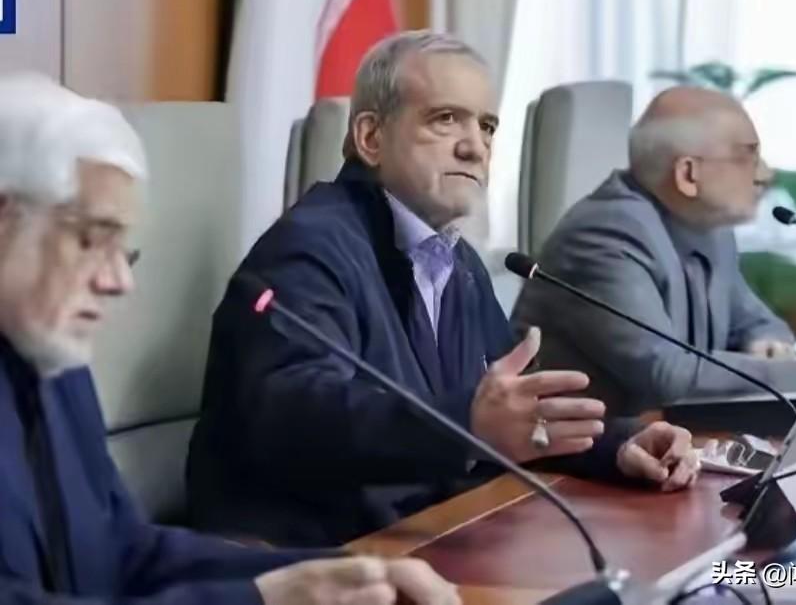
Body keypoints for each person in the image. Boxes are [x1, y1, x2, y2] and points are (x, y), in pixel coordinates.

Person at [187, 31, 700, 548]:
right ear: (371, 138)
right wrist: (468, 423)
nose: (475, 147)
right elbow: (297, 416)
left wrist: (620, 443)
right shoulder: (307, 248)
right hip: (319, 555)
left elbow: (517, 408)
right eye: (445, 119)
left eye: (487, 126)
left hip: (436, 536)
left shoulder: (458, 261)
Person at [0, 72, 459, 605]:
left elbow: (125, 551)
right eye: (90, 240)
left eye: (124, 252)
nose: (119, 281)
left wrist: (337, 572)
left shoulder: (54, 364)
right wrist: (261, 600)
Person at [512, 86, 796, 414]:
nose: (765, 174)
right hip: (567, 460)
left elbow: (754, 321)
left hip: (665, 443)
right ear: (688, 174)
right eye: (748, 156)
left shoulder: (707, 226)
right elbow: (666, 374)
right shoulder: (606, 234)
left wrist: (766, 342)